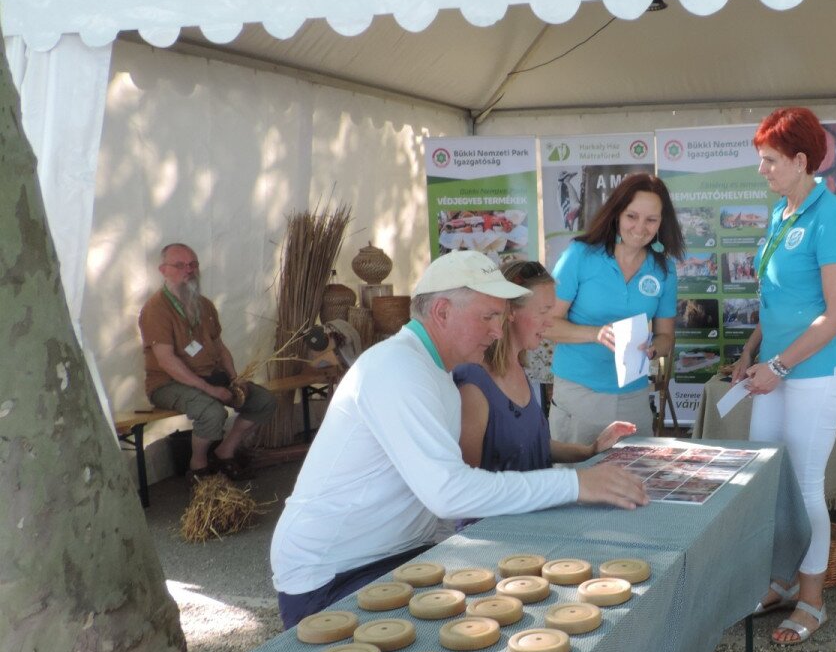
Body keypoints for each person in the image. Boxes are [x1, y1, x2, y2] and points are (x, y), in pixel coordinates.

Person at [269, 251, 649, 628]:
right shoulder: (397, 367)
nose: (497, 331)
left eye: (500, 317)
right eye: (487, 317)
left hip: (398, 555)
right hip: (333, 574)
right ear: (442, 312)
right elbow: (449, 493)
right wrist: (574, 483)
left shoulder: (436, 372)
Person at [734, 106, 836, 645]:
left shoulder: (830, 214)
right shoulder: (780, 212)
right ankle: (782, 580)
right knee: (768, 480)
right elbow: (778, 300)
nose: (761, 169)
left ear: (801, 161)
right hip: (776, 366)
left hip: (817, 369)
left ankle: (812, 600)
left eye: (770, 160)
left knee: (805, 483)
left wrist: (780, 365)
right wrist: (750, 352)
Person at [455, 259, 635, 473]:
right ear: (510, 310)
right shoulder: (473, 383)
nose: (550, 322)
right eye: (543, 311)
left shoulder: (517, 367)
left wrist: (592, 449)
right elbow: (469, 481)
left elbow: (535, 445)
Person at [547, 173, 684, 444]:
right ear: (617, 214)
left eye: (651, 220)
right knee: (578, 470)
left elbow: (666, 337)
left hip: (634, 396)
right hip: (579, 393)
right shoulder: (580, 255)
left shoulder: (664, 269)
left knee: (634, 469)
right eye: (632, 216)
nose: (640, 227)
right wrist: (596, 333)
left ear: (662, 222)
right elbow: (547, 324)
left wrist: (653, 349)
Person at [138, 243, 276, 482]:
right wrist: (210, 389)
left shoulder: (204, 305)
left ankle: (224, 453)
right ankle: (198, 467)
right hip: (169, 383)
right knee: (212, 413)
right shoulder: (156, 309)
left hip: (210, 376)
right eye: (180, 265)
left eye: (193, 264)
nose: (189, 270)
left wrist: (235, 378)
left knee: (263, 401)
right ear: (163, 270)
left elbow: (220, 347)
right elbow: (167, 361)